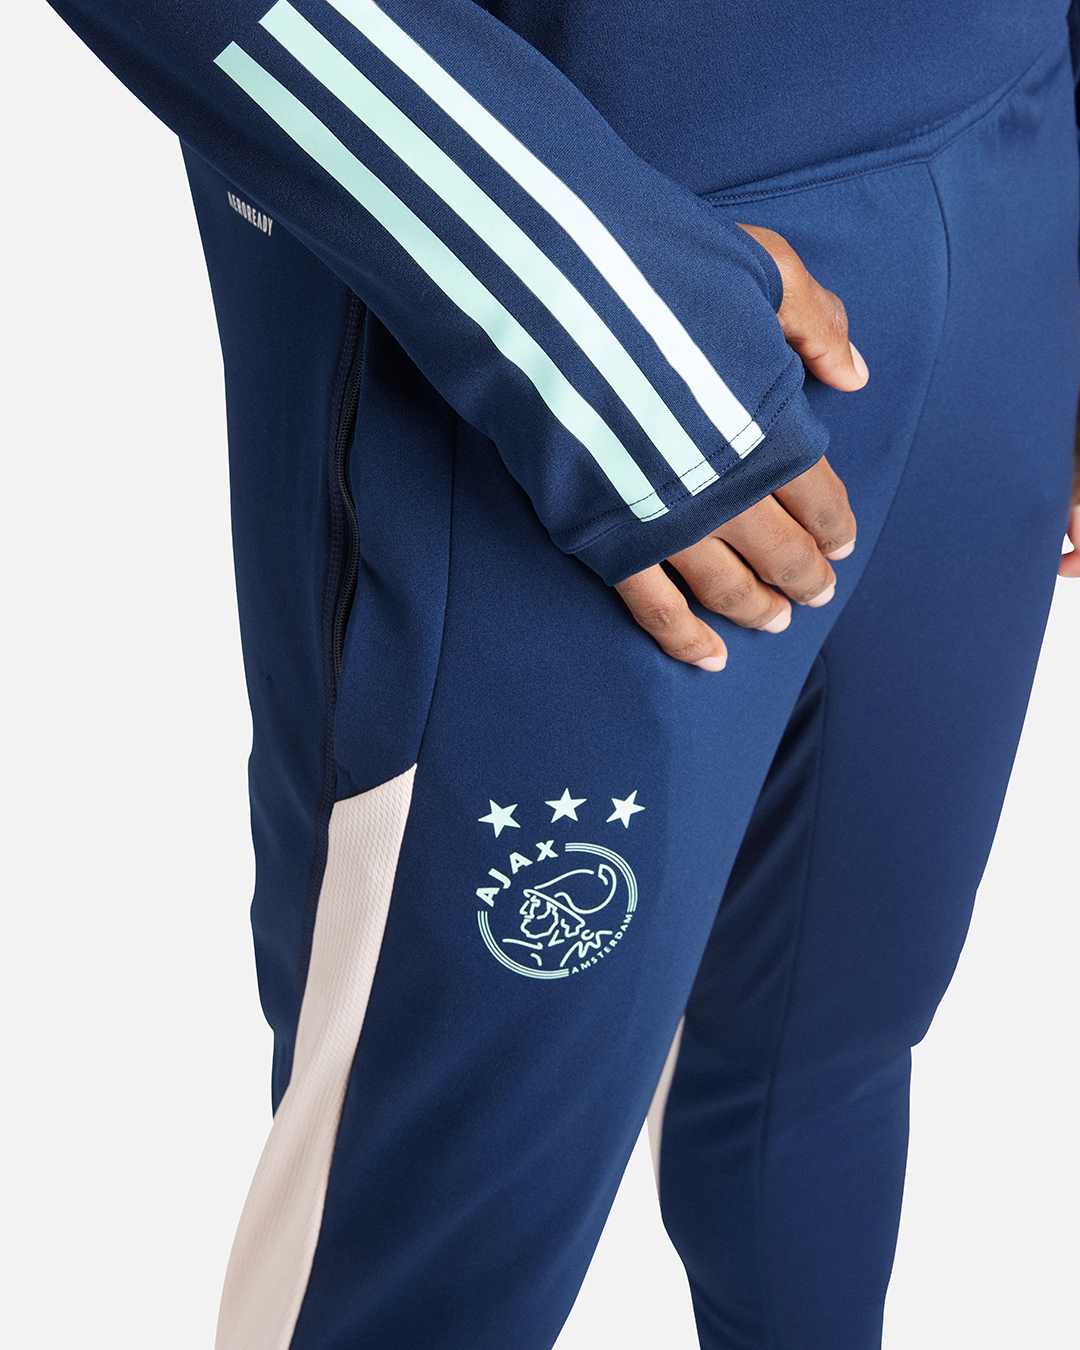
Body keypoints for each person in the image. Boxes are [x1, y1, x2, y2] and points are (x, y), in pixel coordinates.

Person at [43, 2, 1080, 1346]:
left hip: (1013, 176)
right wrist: (586, 312)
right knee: (424, 1240)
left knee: (821, 1063)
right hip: (556, 272)